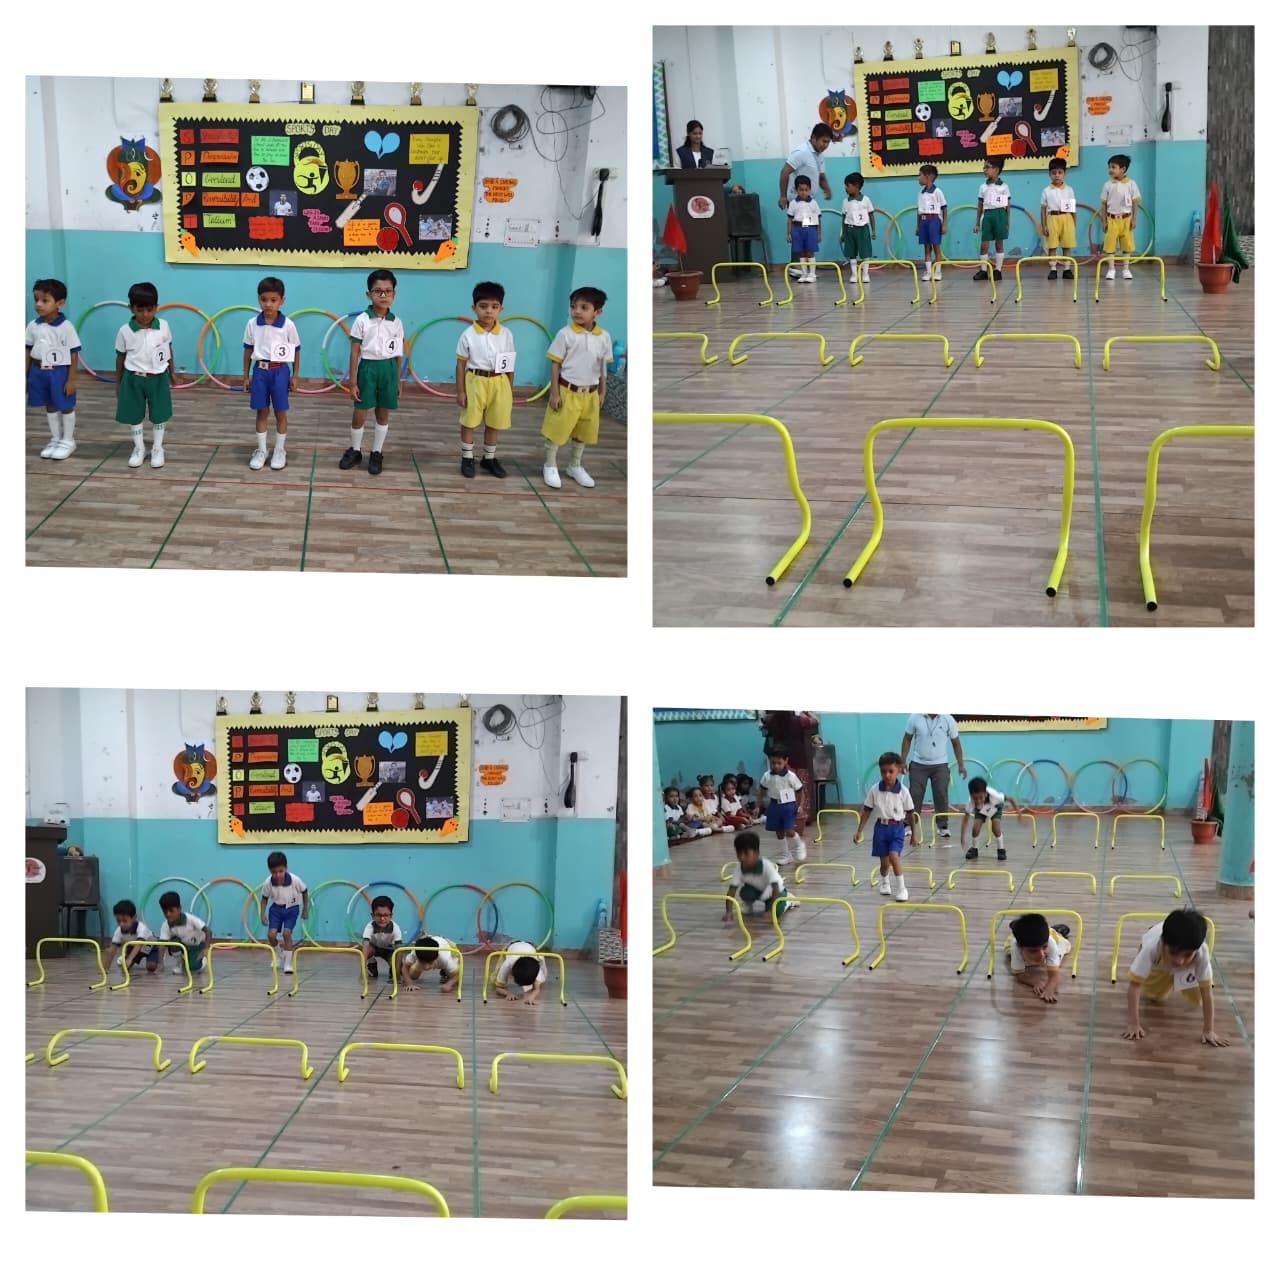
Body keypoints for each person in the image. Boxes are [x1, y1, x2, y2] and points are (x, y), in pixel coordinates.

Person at [1122, 909, 1228, 1046]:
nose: (1179, 961)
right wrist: (1133, 1024)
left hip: (1187, 966)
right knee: (1155, 997)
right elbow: (1134, 986)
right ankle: (1167, 978)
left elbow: (1207, 992)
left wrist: (1209, 1030)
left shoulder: (1201, 952)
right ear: (1164, 944)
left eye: (1187, 955)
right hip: (1159, 964)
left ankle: (1175, 975)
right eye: (1173, 952)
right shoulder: (1151, 948)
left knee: (1198, 999)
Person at [541, 286, 611, 490]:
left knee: (583, 431)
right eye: (573, 306)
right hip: (567, 391)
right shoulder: (565, 334)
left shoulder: (604, 336)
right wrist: (555, 393)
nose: (577, 311)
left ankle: (575, 465)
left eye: (584, 307)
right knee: (557, 429)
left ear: (597, 312)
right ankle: (550, 464)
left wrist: (602, 391)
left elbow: (603, 367)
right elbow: (555, 364)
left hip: (590, 394)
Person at [342, 268, 405, 476]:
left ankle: (377, 452)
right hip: (367, 369)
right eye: (378, 291)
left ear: (394, 294)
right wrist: (353, 382)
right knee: (360, 412)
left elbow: (398, 353)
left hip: (388, 370)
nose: (383, 295)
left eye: (388, 291)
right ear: (369, 294)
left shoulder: (396, 322)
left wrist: (398, 379)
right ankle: (355, 449)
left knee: (383, 412)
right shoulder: (362, 320)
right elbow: (354, 352)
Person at [455, 280, 514, 479]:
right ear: (474, 308)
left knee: (494, 422)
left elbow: (509, 364)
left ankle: (489, 458)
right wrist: (461, 391)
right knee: (470, 421)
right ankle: (467, 457)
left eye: (494, 307)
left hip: (499, 383)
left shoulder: (506, 334)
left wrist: (509, 389)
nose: (489, 311)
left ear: (501, 309)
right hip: (475, 382)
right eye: (483, 306)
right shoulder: (468, 335)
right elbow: (460, 365)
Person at [241, 276, 301, 471]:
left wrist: (294, 376)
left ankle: (279, 450)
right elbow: (248, 350)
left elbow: (296, 350)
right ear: (258, 299)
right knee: (261, 411)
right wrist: (246, 376)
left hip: (280, 372)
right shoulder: (252, 323)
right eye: (264, 299)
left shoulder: (288, 325)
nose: (268, 304)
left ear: (282, 300)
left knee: (280, 411)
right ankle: (261, 450)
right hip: (260, 372)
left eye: (273, 300)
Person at [115, 281, 176, 469]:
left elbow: (168, 350)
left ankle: (157, 448)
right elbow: (120, 357)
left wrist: (172, 373)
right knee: (134, 414)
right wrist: (118, 382)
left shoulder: (163, 326)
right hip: (133, 378)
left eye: (150, 310)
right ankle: (139, 448)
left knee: (159, 414)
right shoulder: (124, 331)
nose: (145, 315)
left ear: (156, 307)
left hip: (158, 377)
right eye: (140, 310)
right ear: (131, 308)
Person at [26, 277, 81, 460]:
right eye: (36, 299)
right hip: (38, 371)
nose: (39, 304)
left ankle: (68, 440)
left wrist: (71, 379)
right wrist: (25, 375)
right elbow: (27, 350)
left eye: (45, 300)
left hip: (59, 372)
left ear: (60, 303)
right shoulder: (33, 326)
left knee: (65, 405)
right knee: (49, 405)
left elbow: (74, 353)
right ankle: (55, 438)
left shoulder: (66, 327)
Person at [853, 751, 919, 901]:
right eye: (883, 772)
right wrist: (859, 831)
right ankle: (885, 882)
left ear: (899, 770)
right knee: (884, 863)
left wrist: (914, 834)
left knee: (894, 857)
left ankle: (902, 888)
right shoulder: (875, 790)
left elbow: (910, 813)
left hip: (897, 828)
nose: (887, 775)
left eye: (891, 771)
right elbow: (867, 811)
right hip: (880, 829)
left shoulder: (903, 791)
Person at [779, 123, 834, 277]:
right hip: (796, 201)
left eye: (828, 142)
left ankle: (803, 268)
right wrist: (783, 196)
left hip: (809, 202)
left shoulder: (820, 155)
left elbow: (820, 175)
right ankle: (796, 267)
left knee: (806, 233)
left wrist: (826, 188)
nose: (825, 145)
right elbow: (784, 172)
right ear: (814, 138)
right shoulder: (801, 152)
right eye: (823, 141)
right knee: (798, 232)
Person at [901, 713, 966, 844]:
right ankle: (909, 825)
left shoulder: (948, 719)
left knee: (941, 793)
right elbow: (907, 739)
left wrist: (961, 764)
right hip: (918, 763)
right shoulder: (915, 717)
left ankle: (942, 826)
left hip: (940, 764)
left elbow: (956, 743)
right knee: (915, 794)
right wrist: (902, 760)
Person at [758, 711, 820, 836]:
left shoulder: (771, 719)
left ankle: (786, 821)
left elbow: (762, 723)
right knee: (800, 788)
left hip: (779, 757)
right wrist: (807, 712)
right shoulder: (800, 720)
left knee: (784, 789)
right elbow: (815, 721)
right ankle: (801, 818)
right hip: (798, 756)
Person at [260, 850, 308, 975]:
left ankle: (288, 963)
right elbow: (264, 899)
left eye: (280, 871)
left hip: (291, 909)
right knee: (271, 935)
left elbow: (305, 891)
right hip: (276, 909)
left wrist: (305, 909)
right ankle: (279, 954)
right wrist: (262, 914)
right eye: (274, 872)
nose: (278, 875)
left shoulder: (295, 880)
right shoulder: (268, 883)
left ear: (286, 868)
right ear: (270, 871)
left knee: (287, 933)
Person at [1005, 913, 1072, 1004]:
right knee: (1008, 952)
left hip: (1053, 937)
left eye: (1044, 947)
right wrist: (1034, 982)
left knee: (1063, 947)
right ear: (1020, 947)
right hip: (1021, 942)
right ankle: (1019, 926)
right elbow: (1018, 974)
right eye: (1033, 951)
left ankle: (1057, 931)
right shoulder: (1015, 947)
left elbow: (1054, 974)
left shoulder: (1051, 943)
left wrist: (1050, 989)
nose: (1041, 955)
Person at [724, 829, 792, 917]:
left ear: (756, 853)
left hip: (777, 892)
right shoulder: (739, 868)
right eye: (738, 853)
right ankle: (748, 906)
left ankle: (788, 902)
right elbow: (731, 891)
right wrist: (728, 912)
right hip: (759, 891)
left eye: (746, 853)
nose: (742, 857)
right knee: (746, 892)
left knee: (776, 912)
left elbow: (775, 889)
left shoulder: (766, 866)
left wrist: (771, 911)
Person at [759, 747, 807, 865]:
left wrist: (800, 805)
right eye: (773, 763)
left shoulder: (791, 776)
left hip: (788, 805)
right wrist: (759, 803)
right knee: (779, 831)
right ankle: (786, 855)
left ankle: (799, 845)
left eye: (779, 763)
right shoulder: (767, 776)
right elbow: (762, 789)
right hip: (774, 805)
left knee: (789, 829)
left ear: (786, 761)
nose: (776, 766)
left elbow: (800, 791)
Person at [1100, 153, 1141, 282]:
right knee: (1110, 245)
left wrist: (1134, 219)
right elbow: (1103, 204)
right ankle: (1111, 269)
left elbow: (1135, 203)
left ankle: (1126, 269)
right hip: (1111, 219)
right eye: (1109, 167)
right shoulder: (1107, 185)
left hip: (1126, 219)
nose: (1110, 170)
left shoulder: (1131, 184)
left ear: (1122, 169)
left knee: (1127, 245)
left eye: (1113, 167)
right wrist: (1104, 220)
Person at [961, 776, 1019, 861]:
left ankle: (1001, 849)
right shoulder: (971, 802)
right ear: (971, 795)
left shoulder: (995, 796)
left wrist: (1019, 815)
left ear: (985, 793)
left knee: (995, 828)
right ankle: (974, 849)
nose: (978, 801)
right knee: (975, 828)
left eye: (981, 797)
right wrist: (962, 838)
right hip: (981, 810)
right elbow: (965, 820)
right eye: (975, 798)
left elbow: (1011, 799)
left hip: (995, 807)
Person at [972, 156, 1010, 280]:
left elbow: (1007, 206)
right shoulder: (983, 187)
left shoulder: (1004, 187)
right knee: (984, 244)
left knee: (999, 243)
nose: (984, 170)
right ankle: (983, 270)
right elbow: (980, 205)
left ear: (996, 169)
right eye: (984, 167)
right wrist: (977, 223)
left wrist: (1007, 222)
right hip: (987, 215)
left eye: (987, 167)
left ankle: (998, 270)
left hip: (1000, 215)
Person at [158, 891, 212, 975]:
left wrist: (205, 950)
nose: (168, 914)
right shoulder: (166, 925)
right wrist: (160, 963)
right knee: (173, 942)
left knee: (192, 968)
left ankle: (203, 962)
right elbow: (162, 945)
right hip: (184, 947)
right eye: (165, 912)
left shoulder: (190, 919)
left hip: (197, 946)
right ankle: (180, 964)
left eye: (171, 911)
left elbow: (208, 931)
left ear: (179, 908)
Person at [1040, 157, 1078, 279]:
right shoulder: (1046, 191)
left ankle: (1067, 269)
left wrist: (1074, 221)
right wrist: (1044, 225)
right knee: (1052, 246)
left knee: (1067, 245)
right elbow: (1043, 209)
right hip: (1052, 219)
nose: (1057, 175)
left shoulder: (1069, 190)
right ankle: (1053, 269)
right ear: (1049, 174)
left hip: (1066, 218)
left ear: (1064, 174)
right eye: (1054, 173)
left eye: (1060, 172)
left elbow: (1072, 207)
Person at [106, 899, 160, 973]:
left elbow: (139, 944)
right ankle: (126, 958)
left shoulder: (141, 928)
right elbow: (112, 949)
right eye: (118, 921)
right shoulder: (118, 931)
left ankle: (157, 957)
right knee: (125, 968)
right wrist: (106, 968)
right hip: (133, 947)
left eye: (124, 921)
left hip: (150, 947)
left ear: (134, 918)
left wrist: (130, 959)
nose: (121, 924)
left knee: (151, 967)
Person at [840, 172, 876, 284]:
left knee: (865, 252)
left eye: (848, 186)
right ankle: (854, 274)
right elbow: (843, 218)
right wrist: (843, 233)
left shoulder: (866, 200)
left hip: (863, 229)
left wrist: (873, 230)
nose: (846, 188)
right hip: (849, 229)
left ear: (856, 186)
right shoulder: (845, 201)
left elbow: (871, 215)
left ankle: (865, 274)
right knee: (851, 252)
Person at [360, 894, 406, 981]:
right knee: (365, 950)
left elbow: (399, 950)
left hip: (389, 950)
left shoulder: (395, 928)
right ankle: (372, 963)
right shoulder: (369, 927)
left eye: (386, 915)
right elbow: (365, 947)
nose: (382, 918)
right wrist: (362, 971)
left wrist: (397, 975)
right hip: (374, 948)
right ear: (372, 916)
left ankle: (392, 969)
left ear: (391, 916)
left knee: (399, 968)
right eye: (378, 915)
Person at [786, 175, 822, 283]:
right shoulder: (793, 203)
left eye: (806, 190)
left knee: (810, 252)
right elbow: (790, 219)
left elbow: (818, 219)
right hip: (797, 229)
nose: (803, 192)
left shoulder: (813, 203)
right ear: (796, 190)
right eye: (801, 190)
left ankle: (812, 274)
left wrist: (818, 233)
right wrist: (789, 233)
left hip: (810, 229)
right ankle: (804, 273)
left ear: (809, 189)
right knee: (801, 252)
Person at [916, 164, 948, 283]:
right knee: (926, 248)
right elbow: (918, 211)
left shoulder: (937, 192)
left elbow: (944, 208)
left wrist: (944, 224)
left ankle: (938, 272)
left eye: (920, 175)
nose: (918, 178)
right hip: (924, 221)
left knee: (936, 247)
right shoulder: (920, 193)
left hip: (934, 220)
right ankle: (928, 272)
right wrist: (918, 225)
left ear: (928, 176)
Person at [494, 939, 546, 1004]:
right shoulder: (507, 964)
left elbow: (537, 989)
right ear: (512, 973)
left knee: (540, 982)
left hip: (531, 946)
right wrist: (508, 993)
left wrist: (532, 996)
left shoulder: (535, 968)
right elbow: (498, 988)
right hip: (512, 944)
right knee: (495, 980)